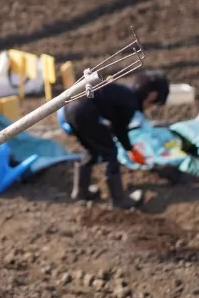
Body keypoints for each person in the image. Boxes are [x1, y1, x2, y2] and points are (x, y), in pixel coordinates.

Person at [64, 71, 170, 210]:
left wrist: (129, 148)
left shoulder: (123, 93)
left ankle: (80, 191)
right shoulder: (130, 103)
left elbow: (115, 127)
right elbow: (119, 129)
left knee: (92, 148)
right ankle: (119, 199)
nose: (152, 108)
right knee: (110, 151)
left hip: (70, 110)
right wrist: (130, 149)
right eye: (155, 104)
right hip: (85, 113)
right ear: (152, 96)